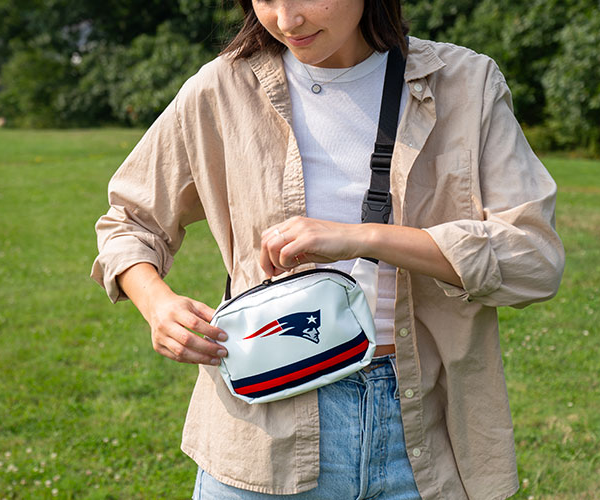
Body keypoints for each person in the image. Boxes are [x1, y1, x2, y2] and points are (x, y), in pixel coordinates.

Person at [91, 0, 565, 498]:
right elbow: (130, 218)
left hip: (428, 435)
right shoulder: (220, 89)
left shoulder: (466, 84)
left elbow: (534, 258)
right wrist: (156, 303)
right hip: (263, 437)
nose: (286, 19)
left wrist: (361, 237)